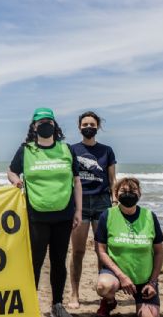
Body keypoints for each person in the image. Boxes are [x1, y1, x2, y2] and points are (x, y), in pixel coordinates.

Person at [7, 107, 82, 317]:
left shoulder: (67, 149)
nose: (45, 125)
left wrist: (79, 211)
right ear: (34, 127)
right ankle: (31, 304)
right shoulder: (26, 150)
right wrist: (16, 180)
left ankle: (57, 304)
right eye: (41, 122)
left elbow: (76, 181)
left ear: (54, 125)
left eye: (49, 121)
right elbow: (11, 171)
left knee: (59, 261)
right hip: (36, 215)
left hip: (64, 214)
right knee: (35, 261)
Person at [68, 111, 117, 309]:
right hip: (80, 204)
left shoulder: (107, 150)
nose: (89, 127)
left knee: (102, 251)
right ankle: (74, 293)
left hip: (102, 203)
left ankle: (104, 293)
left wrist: (114, 202)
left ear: (98, 127)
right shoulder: (71, 149)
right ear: (79, 127)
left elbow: (112, 179)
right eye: (85, 124)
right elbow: (68, 178)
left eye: (92, 124)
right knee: (78, 251)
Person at [94, 177, 163, 317]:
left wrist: (153, 282)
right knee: (103, 286)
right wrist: (121, 276)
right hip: (116, 275)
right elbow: (101, 251)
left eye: (133, 190)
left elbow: (158, 253)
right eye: (123, 191)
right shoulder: (107, 215)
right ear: (116, 193)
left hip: (144, 280)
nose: (128, 194)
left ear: (140, 194)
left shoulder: (150, 216)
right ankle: (108, 302)